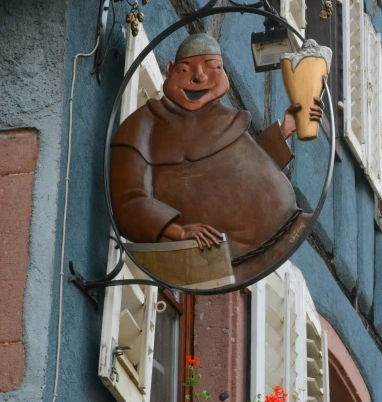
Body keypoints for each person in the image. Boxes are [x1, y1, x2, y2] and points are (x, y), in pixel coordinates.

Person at [110, 33, 323, 284]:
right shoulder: (144, 126)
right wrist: (177, 230)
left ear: (225, 75)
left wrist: (285, 128)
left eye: (212, 67)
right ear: (169, 70)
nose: (199, 77)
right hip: (220, 256)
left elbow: (241, 171)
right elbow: (129, 200)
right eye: (185, 69)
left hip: (282, 233)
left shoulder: (223, 117)